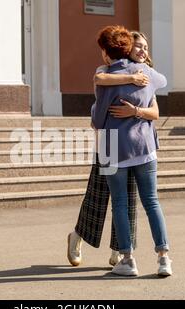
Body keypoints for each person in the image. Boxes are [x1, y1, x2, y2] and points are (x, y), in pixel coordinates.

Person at [67, 31, 158, 268]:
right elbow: (99, 79)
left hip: (135, 145)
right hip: (108, 144)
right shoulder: (109, 70)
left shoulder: (147, 76)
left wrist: (135, 112)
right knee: (97, 196)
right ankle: (78, 236)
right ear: (126, 49)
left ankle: (120, 249)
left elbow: (155, 113)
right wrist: (130, 79)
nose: (142, 51)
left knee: (128, 199)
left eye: (145, 47)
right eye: (137, 46)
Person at [92, 25, 172, 277]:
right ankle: (164, 258)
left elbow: (98, 120)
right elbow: (162, 82)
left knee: (120, 204)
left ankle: (127, 260)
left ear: (106, 51)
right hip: (144, 146)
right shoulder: (145, 72)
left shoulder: (105, 77)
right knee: (151, 202)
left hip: (113, 147)